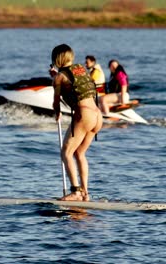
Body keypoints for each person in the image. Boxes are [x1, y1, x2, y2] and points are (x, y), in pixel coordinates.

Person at [49, 44, 103, 201]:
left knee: (66, 152)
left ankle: (76, 191)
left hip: (84, 115)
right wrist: (55, 77)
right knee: (80, 153)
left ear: (56, 59)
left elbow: (56, 102)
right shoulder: (81, 68)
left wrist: (57, 113)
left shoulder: (58, 78)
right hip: (97, 116)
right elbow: (72, 81)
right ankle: (85, 193)